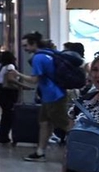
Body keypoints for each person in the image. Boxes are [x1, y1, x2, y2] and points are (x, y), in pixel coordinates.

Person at [17, 32, 70, 162]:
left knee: (65, 124)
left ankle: (81, 150)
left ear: (33, 43)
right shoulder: (49, 54)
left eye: (26, 46)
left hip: (53, 96)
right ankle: (40, 151)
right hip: (54, 94)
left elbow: (34, 80)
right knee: (44, 123)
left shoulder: (38, 58)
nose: (25, 49)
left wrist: (18, 74)